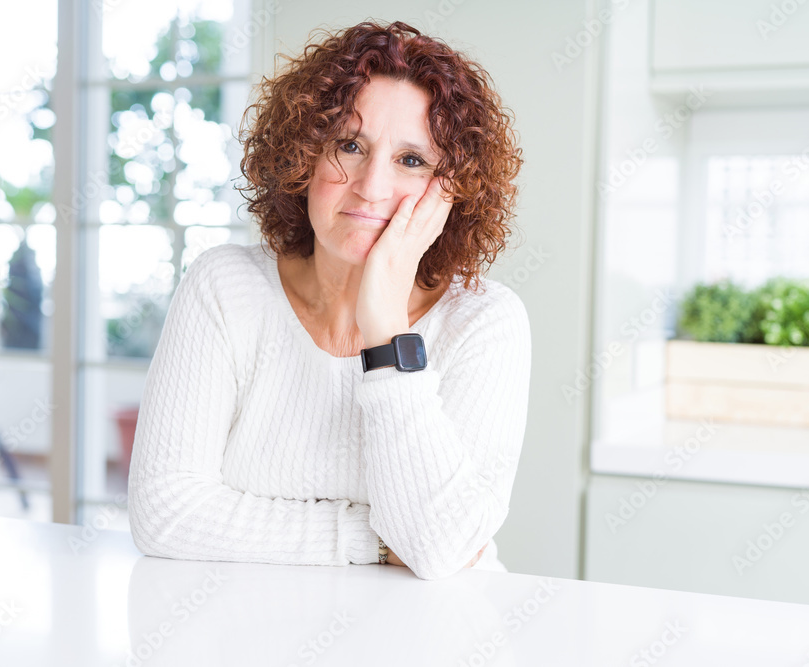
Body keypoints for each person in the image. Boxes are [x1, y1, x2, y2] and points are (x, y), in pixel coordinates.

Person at [127, 20, 530, 580]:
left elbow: (438, 551)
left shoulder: (486, 322)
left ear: (452, 190)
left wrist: (388, 331)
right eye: (349, 145)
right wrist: (374, 539)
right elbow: (164, 513)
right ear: (303, 156)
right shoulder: (224, 287)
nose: (370, 186)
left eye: (411, 160)